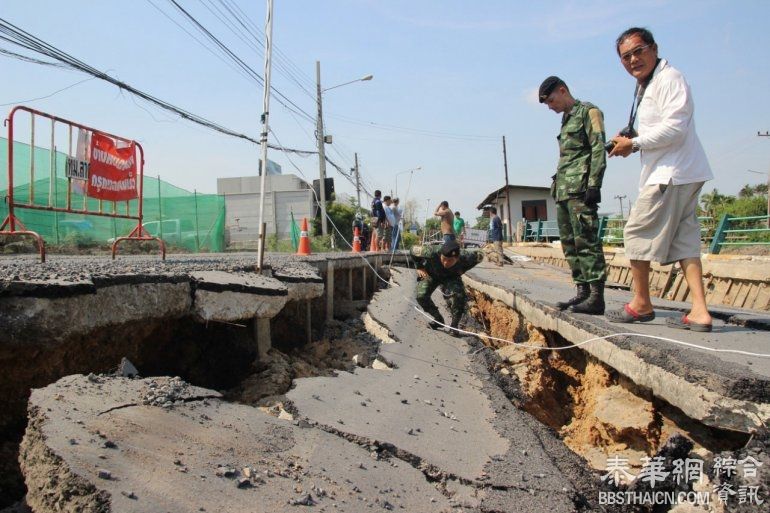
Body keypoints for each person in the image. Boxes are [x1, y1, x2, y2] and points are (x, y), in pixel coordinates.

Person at [607, 27, 714, 331]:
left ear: (654, 48)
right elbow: (663, 130)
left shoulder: (669, 79)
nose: (633, 60)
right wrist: (633, 140)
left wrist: (636, 143)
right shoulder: (649, 83)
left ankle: (641, 303)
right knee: (685, 242)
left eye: (638, 51)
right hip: (682, 172)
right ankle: (700, 312)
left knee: (636, 233)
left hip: (671, 173)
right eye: (626, 56)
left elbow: (675, 129)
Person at [539, 75, 608, 314]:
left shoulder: (589, 112)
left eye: (550, 101)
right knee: (570, 244)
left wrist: (594, 185)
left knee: (586, 241)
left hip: (580, 190)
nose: (550, 107)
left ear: (562, 90)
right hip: (563, 191)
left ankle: (597, 297)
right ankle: (583, 293)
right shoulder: (566, 120)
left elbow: (598, 148)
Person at [410, 239, 483, 335]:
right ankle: (438, 319)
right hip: (432, 274)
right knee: (421, 296)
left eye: (450, 260)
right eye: (443, 259)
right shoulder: (431, 251)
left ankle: (454, 326)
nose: (445, 263)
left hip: (451, 277)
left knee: (459, 295)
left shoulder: (465, 256)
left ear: (457, 258)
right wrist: (419, 266)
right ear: (440, 254)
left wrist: (463, 269)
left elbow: (481, 255)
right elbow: (412, 250)